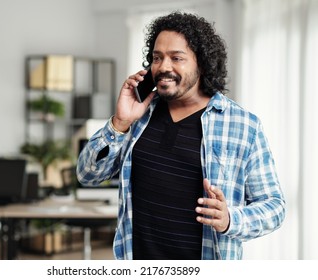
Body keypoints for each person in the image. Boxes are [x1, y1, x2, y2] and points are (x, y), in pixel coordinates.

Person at [76, 11, 285, 260]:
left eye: (177, 58)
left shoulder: (242, 125)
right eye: (157, 58)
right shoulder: (138, 116)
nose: (164, 67)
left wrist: (230, 219)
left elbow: (274, 207)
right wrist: (120, 122)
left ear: (202, 63)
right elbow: (87, 175)